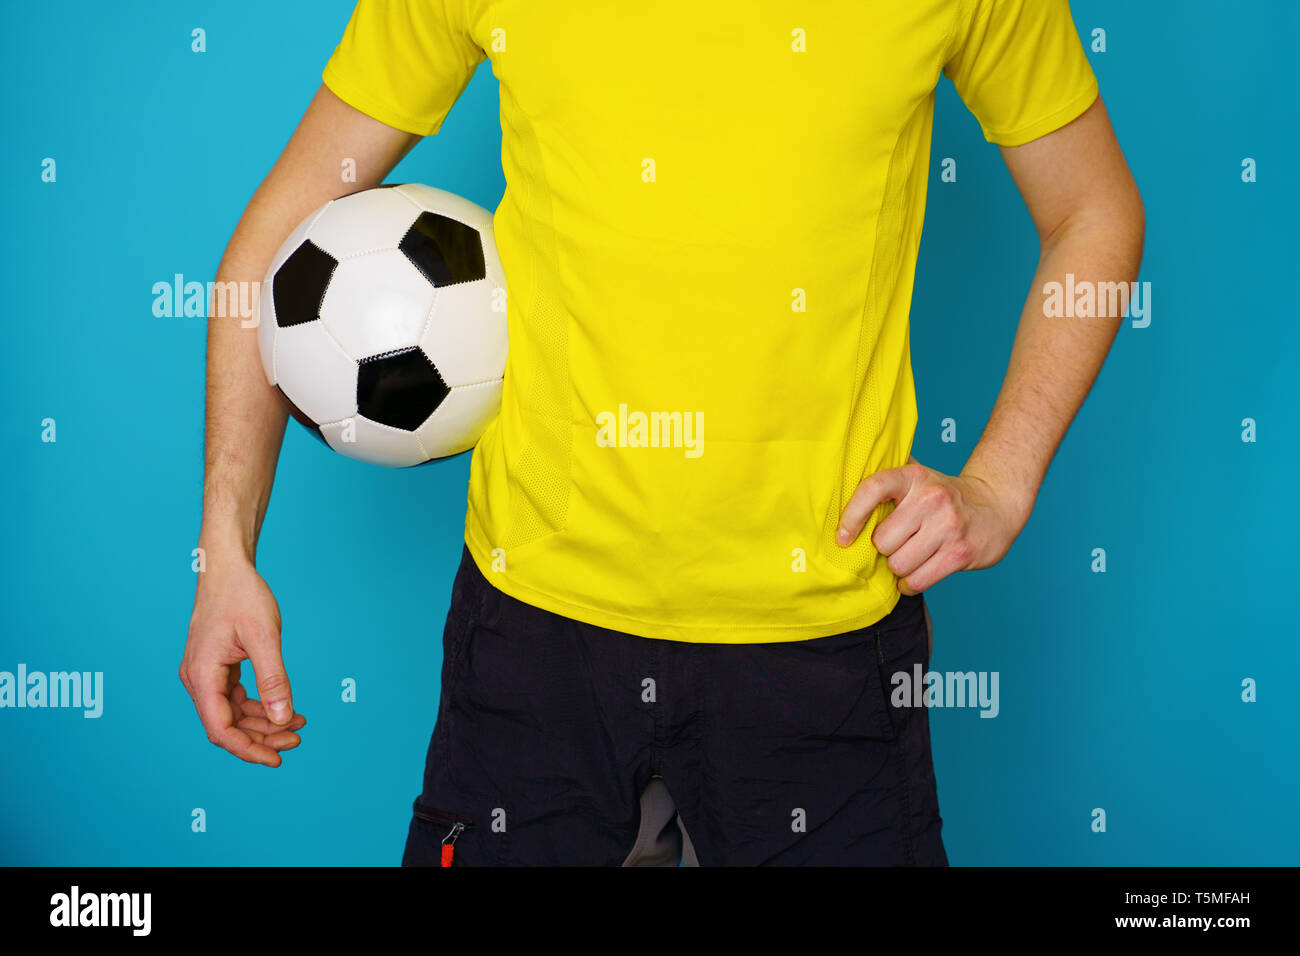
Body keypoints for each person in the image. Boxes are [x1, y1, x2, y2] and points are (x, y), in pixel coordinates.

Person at [180, 0, 1144, 866]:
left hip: (823, 640)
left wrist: (1000, 481)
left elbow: (1092, 207)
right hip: (536, 628)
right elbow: (275, 237)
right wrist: (224, 547)